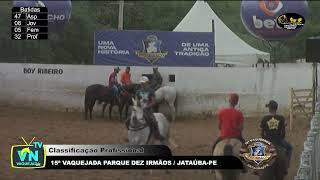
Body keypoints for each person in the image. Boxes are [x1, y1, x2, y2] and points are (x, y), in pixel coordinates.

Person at [126, 76, 165, 141]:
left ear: (147, 83)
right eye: (141, 83)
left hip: (148, 110)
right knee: (127, 121)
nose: (142, 84)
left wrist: (147, 106)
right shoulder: (138, 91)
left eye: (143, 83)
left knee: (154, 121)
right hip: (139, 110)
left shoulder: (151, 91)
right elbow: (137, 100)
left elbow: (153, 102)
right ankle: (131, 135)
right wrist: (137, 104)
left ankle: (157, 134)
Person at [260, 100, 292, 173]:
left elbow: (262, 133)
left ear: (269, 109)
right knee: (290, 148)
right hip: (279, 140)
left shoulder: (264, 118)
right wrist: (281, 138)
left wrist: (264, 140)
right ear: (276, 108)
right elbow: (283, 133)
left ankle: (257, 169)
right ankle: (286, 165)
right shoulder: (281, 118)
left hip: (268, 140)